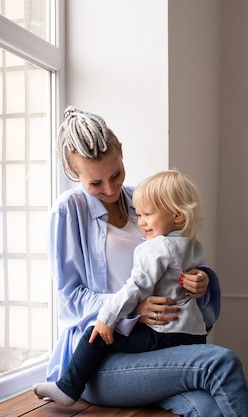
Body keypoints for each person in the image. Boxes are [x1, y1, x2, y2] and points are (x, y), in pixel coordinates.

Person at [38, 105, 248, 417]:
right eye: (95, 183)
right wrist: (133, 308)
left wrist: (201, 279)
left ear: (122, 153)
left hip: (156, 347)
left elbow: (175, 256)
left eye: (115, 174)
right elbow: (71, 300)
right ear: (73, 174)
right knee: (220, 362)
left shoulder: (141, 200)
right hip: (100, 357)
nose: (110, 189)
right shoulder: (69, 211)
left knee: (209, 409)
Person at [33, 169, 209, 406]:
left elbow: (135, 287)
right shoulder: (193, 245)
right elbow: (196, 272)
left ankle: (68, 387)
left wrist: (107, 318)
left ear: (177, 216)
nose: (142, 221)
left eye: (147, 215)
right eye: (140, 214)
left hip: (164, 333)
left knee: (95, 335)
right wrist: (203, 276)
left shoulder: (156, 247)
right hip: (194, 334)